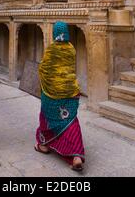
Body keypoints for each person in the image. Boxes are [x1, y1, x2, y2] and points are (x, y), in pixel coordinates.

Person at [35, 21, 85, 172]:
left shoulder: (51, 49)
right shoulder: (71, 49)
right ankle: (76, 156)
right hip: (69, 90)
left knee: (46, 117)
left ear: (54, 33)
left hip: (51, 93)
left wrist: (43, 73)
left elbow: (44, 68)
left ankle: (44, 145)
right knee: (70, 121)